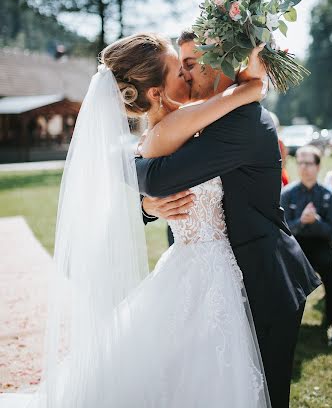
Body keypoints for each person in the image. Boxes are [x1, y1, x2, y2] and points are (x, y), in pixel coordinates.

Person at [1, 33, 272, 408]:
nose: (190, 75)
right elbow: (250, 91)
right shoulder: (175, 127)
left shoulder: (167, 127)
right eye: (181, 69)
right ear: (157, 93)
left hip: (200, 266)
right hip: (205, 270)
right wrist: (252, 60)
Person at [137, 30, 320, 408]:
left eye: (190, 65)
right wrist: (147, 206)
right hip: (211, 282)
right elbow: (160, 173)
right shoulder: (202, 118)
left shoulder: (244, 121)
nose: (184, 75)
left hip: (264, 282)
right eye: (181, 67)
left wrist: (135, 175)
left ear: (218, 61)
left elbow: (158, 175)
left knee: (264, 398)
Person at [281, 145, 332, 346]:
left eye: (309, 163)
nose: (304, 167)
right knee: (283, 274)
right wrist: (301, 221)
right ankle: (285, 324)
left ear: (318, 167)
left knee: (330, 270)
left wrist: (315, 221)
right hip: (295, 245)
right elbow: (283, 229)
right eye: (300, 163)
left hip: (321, 244)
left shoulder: (330, 195)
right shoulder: (287, 194)